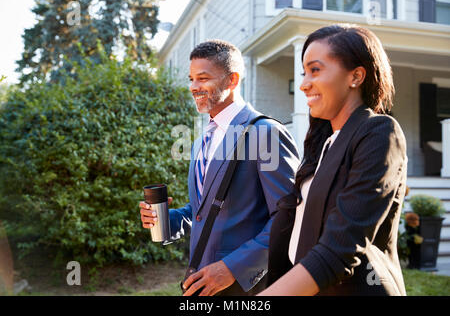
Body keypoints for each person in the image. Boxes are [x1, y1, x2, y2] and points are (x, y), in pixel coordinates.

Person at [140, 39, 300, 296]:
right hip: (200, 283)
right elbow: (202, 212)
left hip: (247, 288)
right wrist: (166, 220)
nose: (194, 87)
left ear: (232, 80)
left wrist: (233, 268)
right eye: (191, 79)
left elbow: (288, 218)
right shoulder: (201, 140)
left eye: (203, 78)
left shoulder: (265, 133)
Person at [258, 24, 408, 296]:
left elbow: (340, 248)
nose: (303, 84)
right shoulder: (324, 142)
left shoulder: (379, 133)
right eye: (304, 72)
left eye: (315, 70)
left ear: (356, 76)